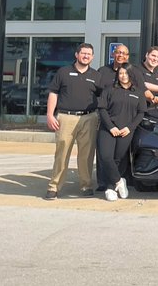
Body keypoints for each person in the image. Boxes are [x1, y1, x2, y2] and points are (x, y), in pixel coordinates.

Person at [44, 43, 101, 200]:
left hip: (89, 118)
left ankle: (86, 186)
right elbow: (53, 94)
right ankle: (54, 187)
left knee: (87, 155)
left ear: (93, 57)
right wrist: (50, 115)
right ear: (77, 54)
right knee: (62, 153)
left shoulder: (96, 75)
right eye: (83, 53)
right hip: (65, 118)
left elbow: (103, 97)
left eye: (89, 54)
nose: (86, 56)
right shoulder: (64, 72)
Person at [97, 65, 146, 202]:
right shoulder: (109, 90)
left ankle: (110, 188)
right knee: (106, 157)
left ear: (132, 75)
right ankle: (119, 181)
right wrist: (111, 127)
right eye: (121, 73)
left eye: (126, 73)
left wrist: (130, 128)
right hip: (108, 129)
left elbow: (141, 113)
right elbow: (102, 109)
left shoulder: (138, 92)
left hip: (126, 131)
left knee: (117, 160)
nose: (123, 76)